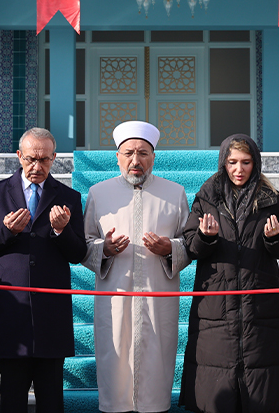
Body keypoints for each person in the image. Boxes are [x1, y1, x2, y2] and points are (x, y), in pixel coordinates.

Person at [179, 134, 279, 413]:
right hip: (216, 303)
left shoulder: (273, 199)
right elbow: (192, 248)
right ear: (223, 163)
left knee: (262, 390)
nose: (239, 169)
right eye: (232, 162)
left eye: (245, 162)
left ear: (255, 163)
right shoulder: (206, 197)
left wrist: (273, 238)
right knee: (218, 389)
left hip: (260, 303)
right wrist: (205, 236)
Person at [82, 120, 190, 413]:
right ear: (117, 156)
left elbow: (189, 245)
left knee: (157, 367)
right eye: (128, 153)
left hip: (158, 298)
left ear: (153, 157)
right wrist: (103, 249)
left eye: (143, 153)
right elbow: (85, 244)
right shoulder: (98, 193)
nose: (135, 160)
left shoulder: (175, 193)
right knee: (115, 368)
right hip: (114, 298)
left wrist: (170, 248)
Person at [0, 127, 86, 413]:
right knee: (12, 399)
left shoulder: (69, 197)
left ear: (54, 158)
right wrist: (6, 231)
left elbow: (78, 254)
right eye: (30, 159)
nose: (37, 167)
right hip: (12, 313)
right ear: (19, 156)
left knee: (51, 401)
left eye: (45, 160)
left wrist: (61, 230)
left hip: (52, 315)